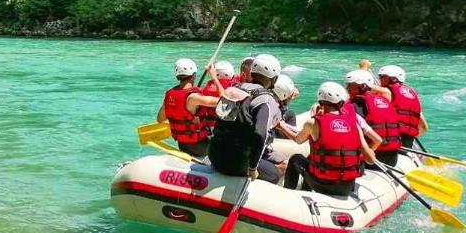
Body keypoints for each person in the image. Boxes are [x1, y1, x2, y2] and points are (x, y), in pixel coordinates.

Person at [282, 82, 378, 196]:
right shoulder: (354, 125)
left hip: (323, 184)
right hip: (347, 186)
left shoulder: (313, 123)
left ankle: (288, 194)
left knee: (295, 159)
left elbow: (298, 140)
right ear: (341, 102)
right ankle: (305, 192)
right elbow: (370, 160)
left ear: (321, 102)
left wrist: (281, 126)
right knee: (311, 160)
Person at [207, 53, 283, 181]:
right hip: (237, 163)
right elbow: (260, 135)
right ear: (273, 79)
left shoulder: (233, 89)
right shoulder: (265, 100)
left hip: (213, 155)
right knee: (274, 174)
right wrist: (252, 169)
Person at [156, 58, 219, 159]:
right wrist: (214, 77)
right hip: (200, 146)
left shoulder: (170, 95)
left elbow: (160, 119)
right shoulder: (194, 97)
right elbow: (222, 101)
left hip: (182, 145)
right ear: (193, 76)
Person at [345, 68, 403, 166]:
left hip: (373, 157)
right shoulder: (383, 100)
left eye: (351, 86)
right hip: (392, 157)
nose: (347, 89)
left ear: (363, 87)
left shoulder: (355, 105)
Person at [378, 64, 428, 148]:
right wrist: (410, 135)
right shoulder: (412, 95)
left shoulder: (386, 92)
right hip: (407, 142)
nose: (380, 80)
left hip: (389, 141)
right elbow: (424, 127)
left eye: (383, 77)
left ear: (394, 79)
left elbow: (368, 88)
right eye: (380, 77)